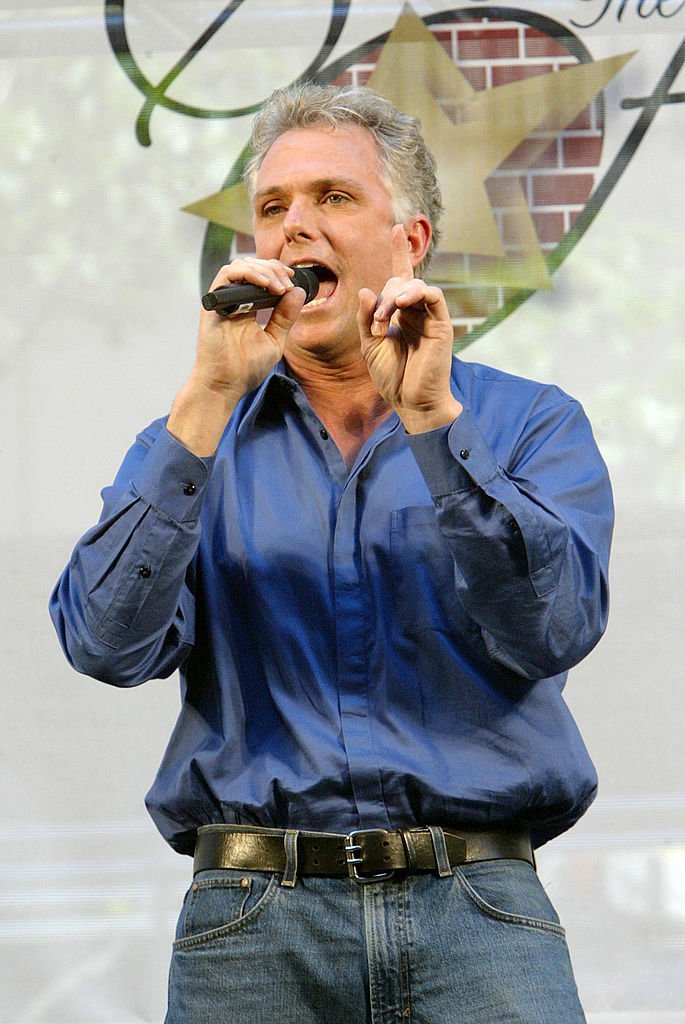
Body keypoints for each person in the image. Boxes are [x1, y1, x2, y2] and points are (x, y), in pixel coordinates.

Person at [50, 82, 613, 1023]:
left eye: (333, 200)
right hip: (253, 922)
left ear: (412, 244)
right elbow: (104, 645)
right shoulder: (195, 440)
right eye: (272, 209)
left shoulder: (524, 424)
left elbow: (550, 628)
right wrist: (202, 402)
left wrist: (433, 425)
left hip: (476, 905)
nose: (292, 230)